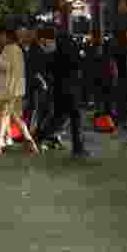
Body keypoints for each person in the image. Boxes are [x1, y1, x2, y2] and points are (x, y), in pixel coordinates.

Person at [36, 28, 89, 158]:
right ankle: (77, 148)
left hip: (64, 87)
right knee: (69, 117)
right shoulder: (65, 45)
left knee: (61, 117)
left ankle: (38, 137)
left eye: (43, 42)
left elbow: (51, 66)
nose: (43, 45)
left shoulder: (59, 47)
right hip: (68, 87)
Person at [0, 25, 39, 156]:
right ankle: (29, 142)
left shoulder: (9, 49)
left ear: (4, 36)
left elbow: (3, 65)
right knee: (15, 117)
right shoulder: (17, 49)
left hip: (7, 89)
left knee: (2, 116)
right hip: (16, 89)